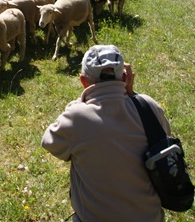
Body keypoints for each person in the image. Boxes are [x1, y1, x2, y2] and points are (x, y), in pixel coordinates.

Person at [42, 45, 170, 222]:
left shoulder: (75, 117)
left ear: (83, 82)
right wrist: (133, 96)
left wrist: (78, 103)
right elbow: (165, 138)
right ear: (125, 77)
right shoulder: (149, 107)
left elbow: (49, 143)